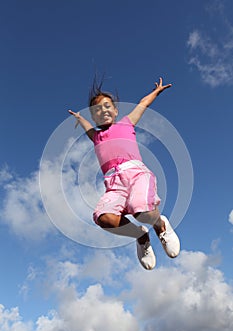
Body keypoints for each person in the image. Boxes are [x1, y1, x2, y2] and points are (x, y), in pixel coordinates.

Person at [68, 77, 180, 270]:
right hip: (113, 183)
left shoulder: (126, 124)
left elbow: (142, 104)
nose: (103, 110)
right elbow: (88, 129)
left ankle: (160, 224)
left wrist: (156, 92)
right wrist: (80, 119)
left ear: (116, 110)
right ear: (94, 117)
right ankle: (141, 236)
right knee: (104, 217)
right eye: (97, 110)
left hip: (136, 174)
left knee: (142, 211)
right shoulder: (97, 137)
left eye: (107, 106)